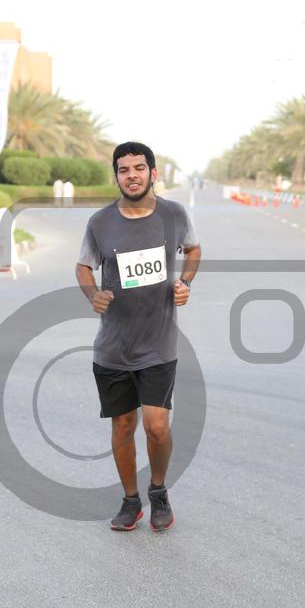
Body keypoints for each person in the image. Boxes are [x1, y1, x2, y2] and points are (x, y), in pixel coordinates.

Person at [75, 141, 201, 532]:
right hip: (113, 346)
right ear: (116, 176)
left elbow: (193, 250)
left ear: (152, 173)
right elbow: (83, 267)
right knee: (123, 426)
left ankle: (158, 492)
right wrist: (93, 294)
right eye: (124, 169)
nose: (131, 175)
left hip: (158, 343)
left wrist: (184, 283)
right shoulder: (100, 222)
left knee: (157, 427)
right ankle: (131, 501)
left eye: (139, 168)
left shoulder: (174, 214)